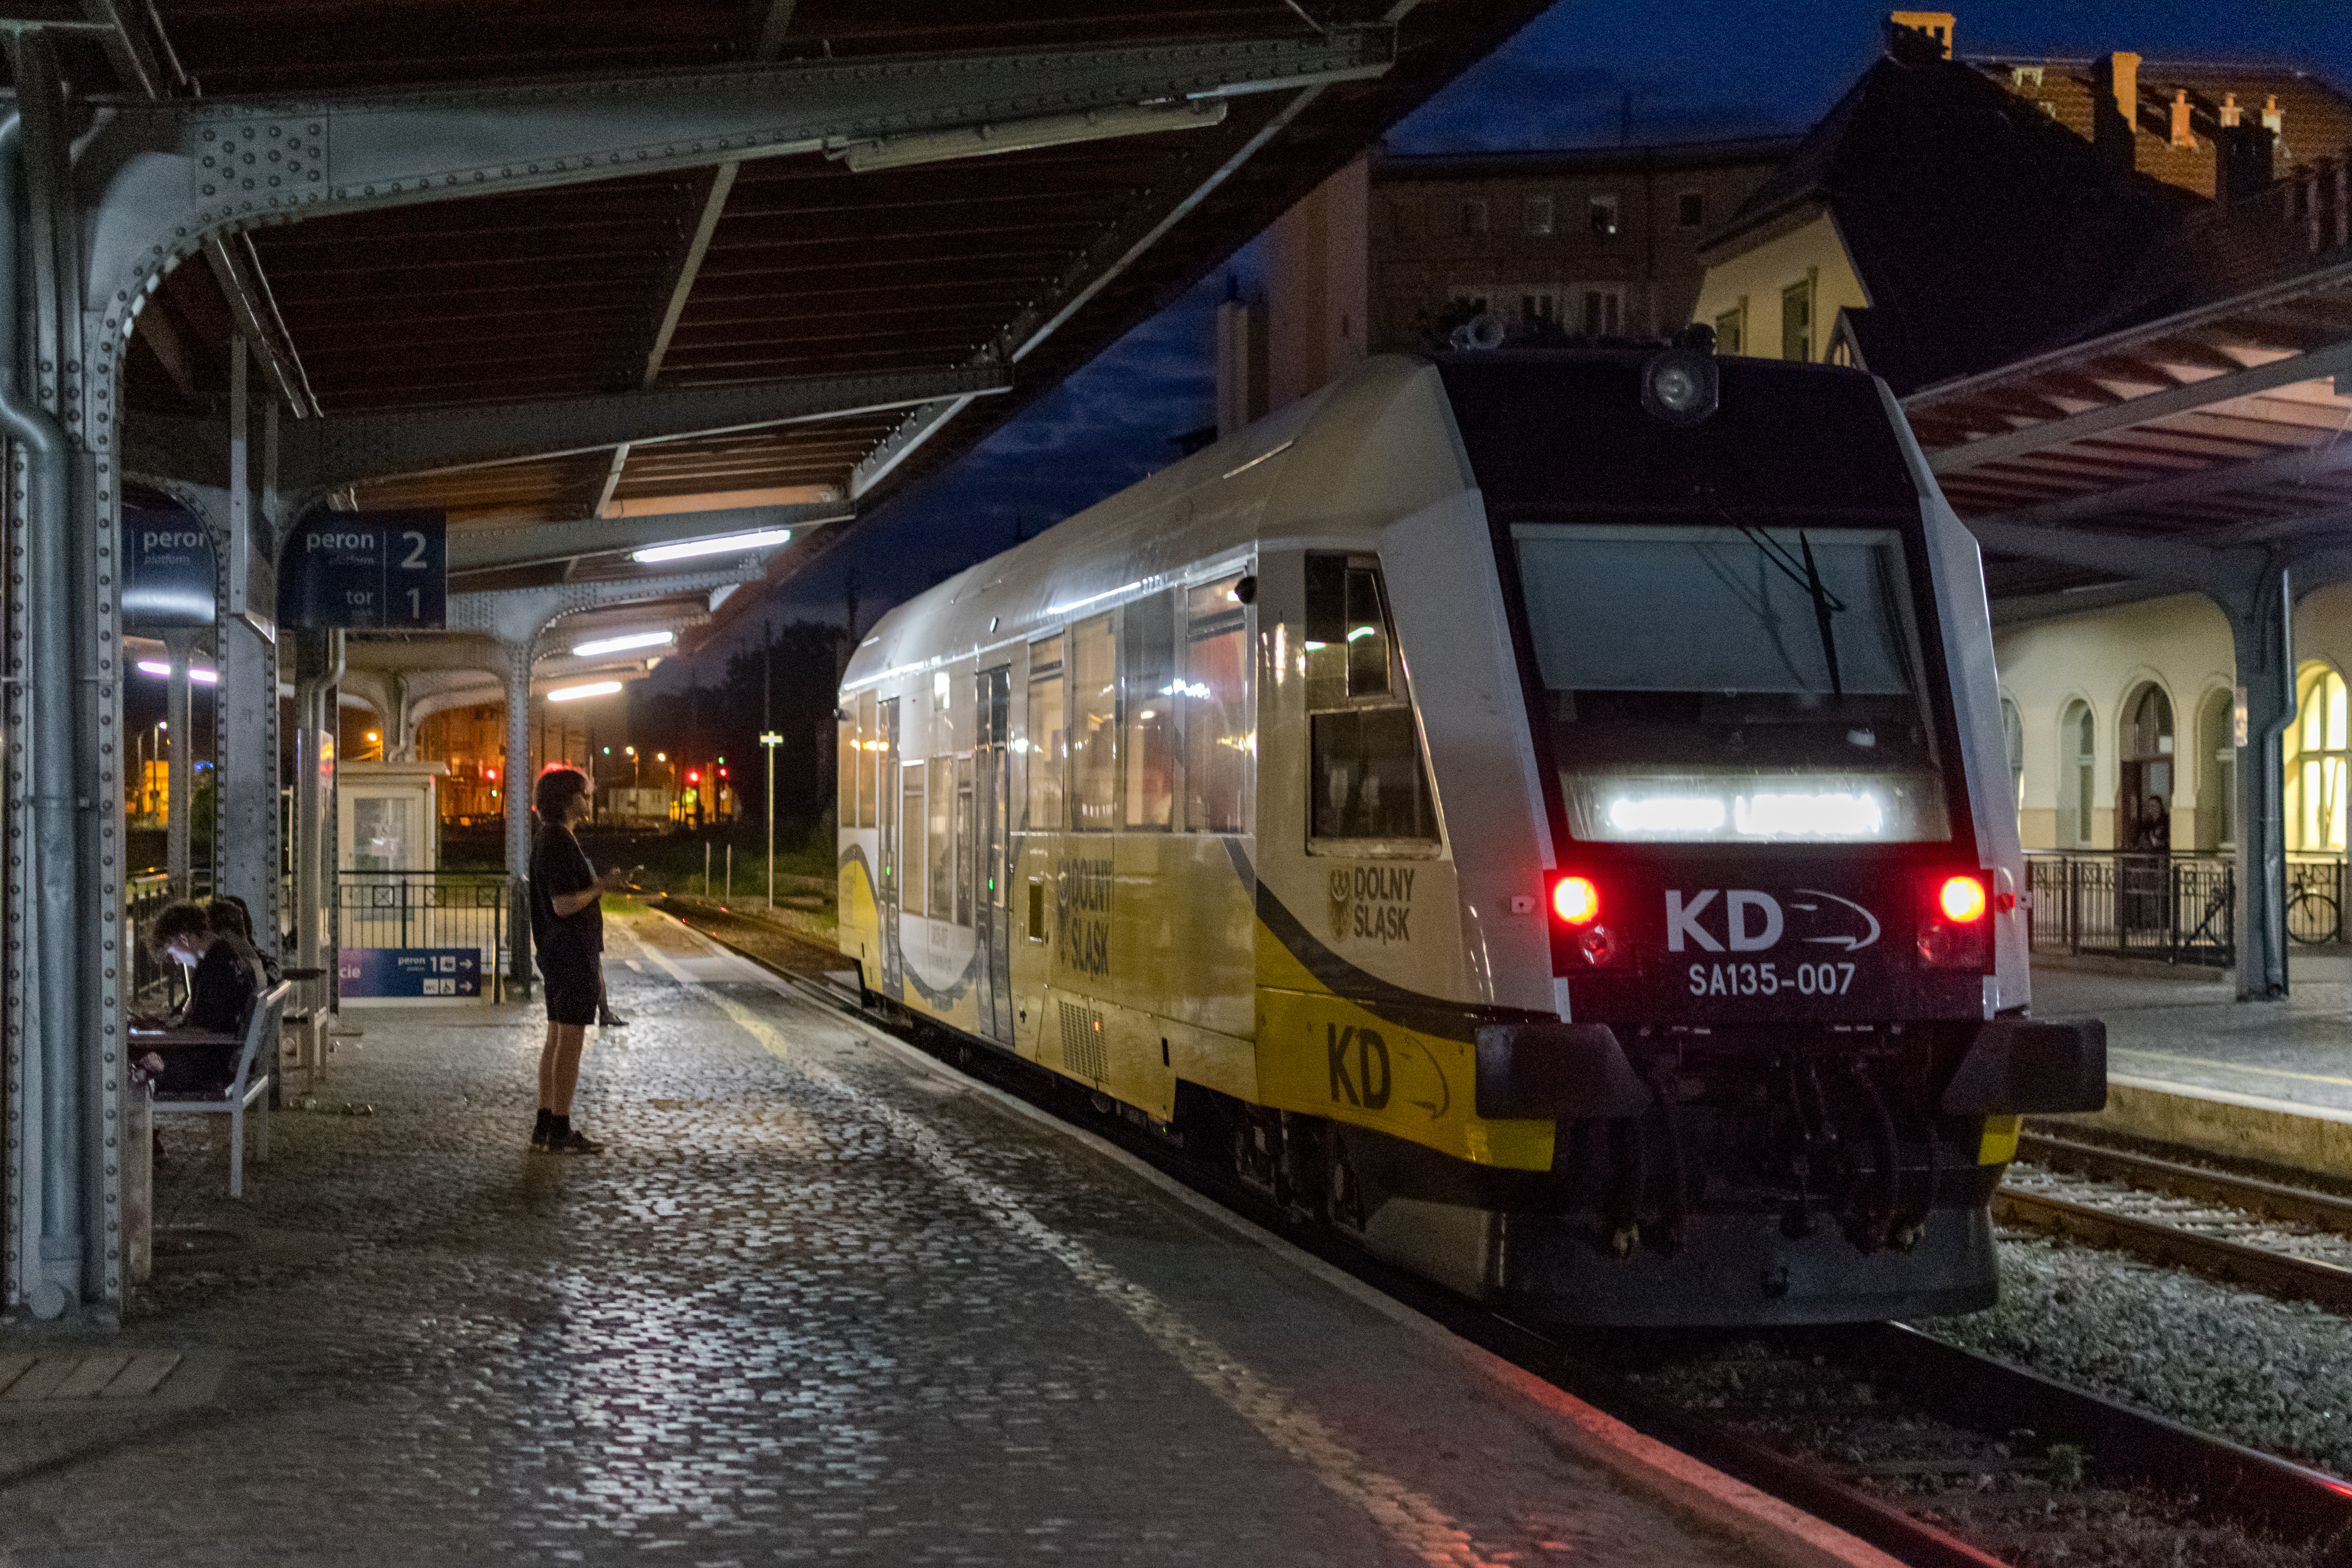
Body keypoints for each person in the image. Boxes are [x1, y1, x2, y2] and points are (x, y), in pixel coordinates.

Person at [528, 767, 627, 1154]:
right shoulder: (558, 842)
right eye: (585, 794)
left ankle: (545, 1123)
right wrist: (602, 886)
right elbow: (564, 903)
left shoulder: (550, 838)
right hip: (569, 954)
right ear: (570, 799)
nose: (589, 800)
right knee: (570, 1041)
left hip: (560, 953)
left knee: (556, 1036)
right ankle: (561, 1130)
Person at [132, 900, 259, 1095]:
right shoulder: (224, 956)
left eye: (173, 952)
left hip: (210, 1070)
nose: (176, 961)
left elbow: (206, 1033)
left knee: (130, 1061)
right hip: (226, 1057)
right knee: (141, 1044)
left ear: (186, 939)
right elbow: (212, 1023)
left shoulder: (215, 968)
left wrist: (162, 1038)